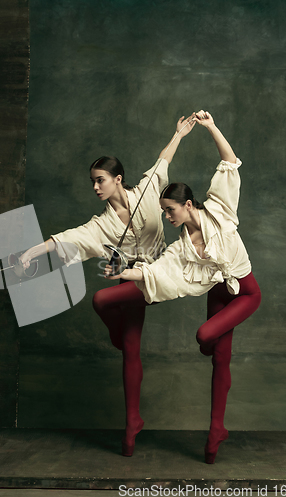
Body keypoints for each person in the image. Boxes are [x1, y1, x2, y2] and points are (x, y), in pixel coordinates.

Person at [20, 114, 197, 457]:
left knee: (101, 299)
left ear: (118, 180)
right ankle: (132, 424)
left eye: (100, 180)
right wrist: (31, 252)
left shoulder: (147, 193)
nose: (96, 187)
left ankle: (115, 336)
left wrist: (178, 134)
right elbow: (65, 239)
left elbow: (163, 161)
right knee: (131, 350)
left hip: (157, 276)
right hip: (134, 282)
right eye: (92, 182)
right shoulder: (98, 225)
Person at [103, 110, 261, 464]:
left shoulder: (220, 210)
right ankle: (215, 432)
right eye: (163, 211)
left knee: (206, 337)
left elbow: (229, 162)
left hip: (245, 293)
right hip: (219, 292)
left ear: (188, 204)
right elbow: (158, 272)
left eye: (170, 209)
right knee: (221, 358)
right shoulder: (180, 248)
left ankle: (210, 358)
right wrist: (121, 274)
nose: (166, 216)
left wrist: (211, 127)